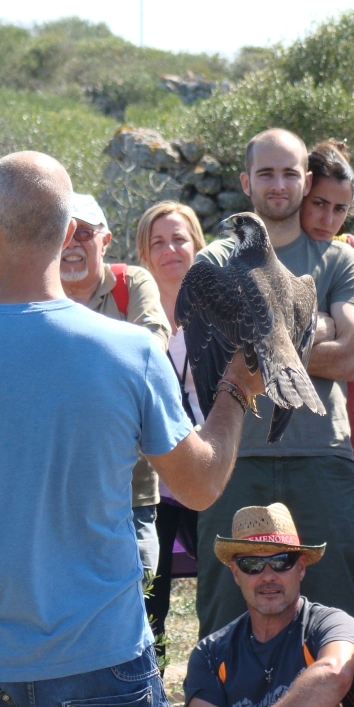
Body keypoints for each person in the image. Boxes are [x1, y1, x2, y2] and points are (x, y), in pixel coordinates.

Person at [0, 150, 264, 707]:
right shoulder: (129, 351)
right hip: (103, 653)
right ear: (70, 233)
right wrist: (235, 392)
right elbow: (200, 486)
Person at [194, 128, 354, 654]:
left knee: (343, 611)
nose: (279, 184)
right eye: (267, 173)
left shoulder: (339, 260)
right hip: (233, 456)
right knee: (227, 614)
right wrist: (312, 327)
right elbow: (218, 353)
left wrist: (259, 338)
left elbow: (349, 358)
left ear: (306, 180)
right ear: (247, 181)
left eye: (290, 173)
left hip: (322, 456)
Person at [185, 504, 354, 707]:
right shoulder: (211, 652)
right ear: (236, 574)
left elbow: (335, 673)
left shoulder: (331, 624)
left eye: (281, 562)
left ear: (301, 568)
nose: (268, 576)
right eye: (252, 565)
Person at [60, 192, 171, 576]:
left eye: (84, 233)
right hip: (57, 493)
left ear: (105, 241)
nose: (72, 245)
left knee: (139, 590)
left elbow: (153, 343)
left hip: (130, 491)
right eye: (64, 233)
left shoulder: (132, 283)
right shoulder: (36, 294)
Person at [137, 200, 208, 664]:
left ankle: (215, 692)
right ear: (143, 254)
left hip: (207, 464)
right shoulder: (131, 319)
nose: (170, 250)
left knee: (221, 589)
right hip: (151, 475)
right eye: (157, 241)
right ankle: (155, 697)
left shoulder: (219, 312)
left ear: (197, 245)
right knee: (151, 594)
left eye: (179, 238)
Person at [299, 141, 354, 493]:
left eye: (340, 209)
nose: (328, 219)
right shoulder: (269, 250)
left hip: (346, 427)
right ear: (301, 195)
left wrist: (278, 350)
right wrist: (323, 330)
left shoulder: (351, 250)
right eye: (319, 204)